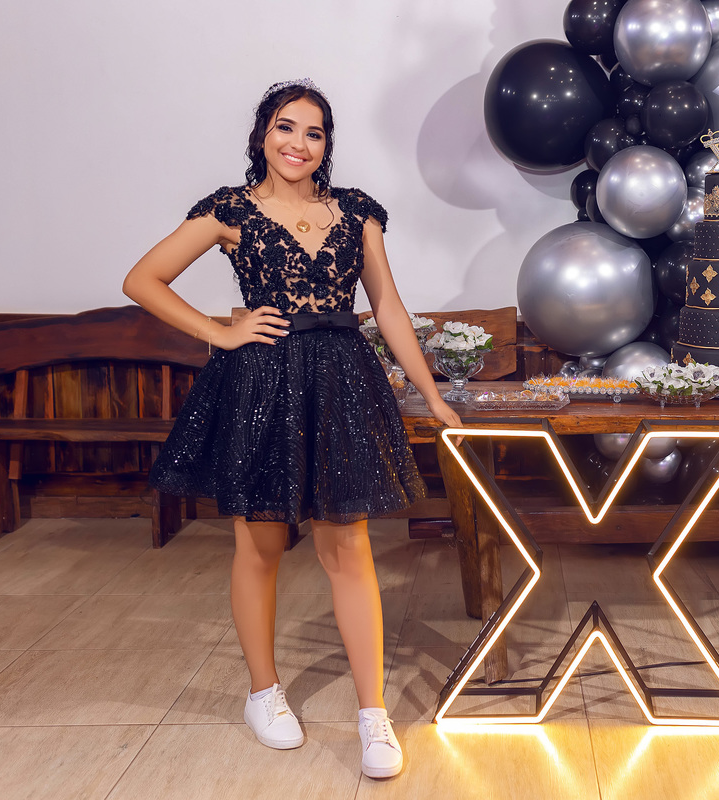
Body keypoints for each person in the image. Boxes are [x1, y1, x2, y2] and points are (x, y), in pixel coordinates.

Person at [122, 79, 461, 779]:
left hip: (339, 383)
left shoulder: (357, 211)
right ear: (262, 135)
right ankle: (263, 692)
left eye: (314, 132)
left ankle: (373, 713)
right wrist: (219, 330)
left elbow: (388, 309)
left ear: (326, 145)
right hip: (260, 384)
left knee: (349, 546)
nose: (298, 143)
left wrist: (431, 394)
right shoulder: (230, 210)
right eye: (286, 127)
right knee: (261, 545)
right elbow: (142, 279)